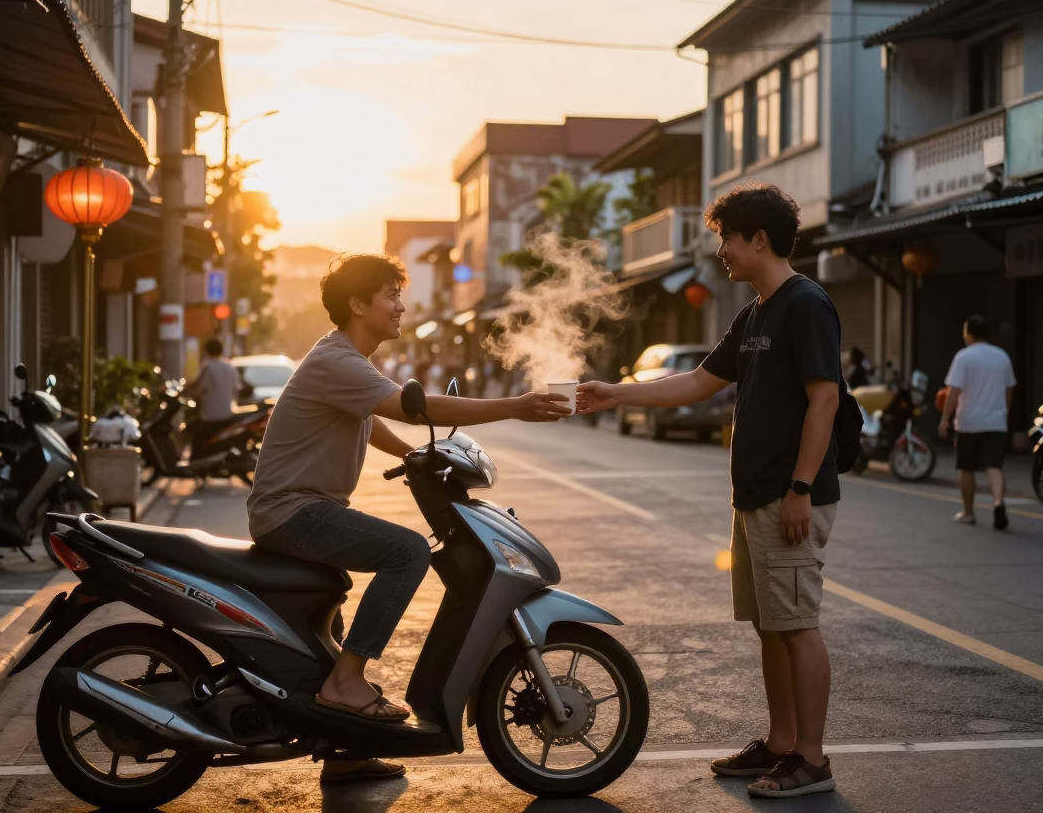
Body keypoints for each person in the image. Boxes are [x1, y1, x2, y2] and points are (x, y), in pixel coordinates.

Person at [578, 183, 841, 799]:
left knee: (797, 623)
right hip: (754, 496)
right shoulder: (754, 313)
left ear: (759, 239)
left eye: (726, 237)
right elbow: (698, 382)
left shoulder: (806, 304)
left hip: (788, 495)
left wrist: (801, 487)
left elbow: (823, 399)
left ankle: (812, 759)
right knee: (770, 623)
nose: (720, 249)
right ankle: (780, 743)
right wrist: (617, 391)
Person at [247, 254, 567, 727]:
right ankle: (347, 681)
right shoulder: (338, 361)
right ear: (357, 304)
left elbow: (369, 416)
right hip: (294, 513)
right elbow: (409, 408)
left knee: (327, 630)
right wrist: (515, 406)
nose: (401, 306)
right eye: (391, 295)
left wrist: (411, 455)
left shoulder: (344, 360)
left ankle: (345, 744)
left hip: (304, 510)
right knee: (408, 552)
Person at [938, 315, 1016, 529]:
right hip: (996, 421)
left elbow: (953, 393)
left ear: (968, 333)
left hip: (969, 422)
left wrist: (945, 419)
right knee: (994, 466)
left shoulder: (964, 357)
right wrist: (1003, 414)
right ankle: (999, 502)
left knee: (967, 468)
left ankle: (968, 512)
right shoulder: (1002, 357)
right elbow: (1009, 391)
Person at [185, 338, 241, 456]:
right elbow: (236, 390)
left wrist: (187, 390)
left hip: (210, 416)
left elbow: (199, 389)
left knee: (193, 432)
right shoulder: (230, 367)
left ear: (207, 351)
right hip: (228, 413)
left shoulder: (208, 367)